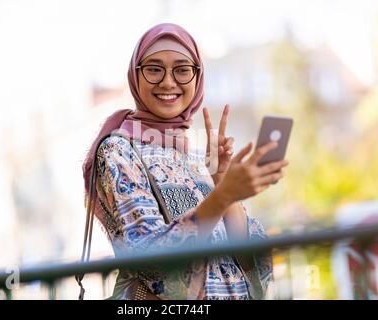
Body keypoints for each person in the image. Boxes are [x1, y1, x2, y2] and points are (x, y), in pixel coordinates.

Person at [81, 23, 289, 300]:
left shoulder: (192, 158)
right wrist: (223, 194)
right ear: (135, 75)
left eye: (182, 69)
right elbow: (153, 262)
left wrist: (223, 185)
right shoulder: (118, 151)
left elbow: (253, 266)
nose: (168, 82)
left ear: (197, 78)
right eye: (154, 69)